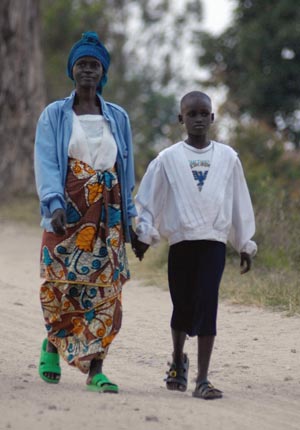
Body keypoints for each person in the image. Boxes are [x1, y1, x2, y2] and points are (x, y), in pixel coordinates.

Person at [134, 90, 257, 399]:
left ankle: (202, 379)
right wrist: (145, 236)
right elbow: (149, 199)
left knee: (207, 303)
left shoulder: (228, 158)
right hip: (181, 242)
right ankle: (177, 359)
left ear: (213, 118)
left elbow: (239, 202)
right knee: (182, 305)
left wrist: (244, 243)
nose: (199, 119)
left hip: (213, 243)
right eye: (193, 114)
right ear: (181, 119)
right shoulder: (168, 159)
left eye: (205, 113)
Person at [34, 31, 139, 393]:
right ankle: (52, 343)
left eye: (94, 65)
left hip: (107, 215)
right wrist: (53, 203)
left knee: (105, 291)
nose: (88, 71)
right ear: (72, 71)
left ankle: (96, 369)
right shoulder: (55, 115)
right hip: (67, 209)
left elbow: (126, 171)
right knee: (59, 283)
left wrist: (132, 220)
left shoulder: (118, 117)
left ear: (104, 72)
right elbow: (47, 162)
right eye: (82, 65)